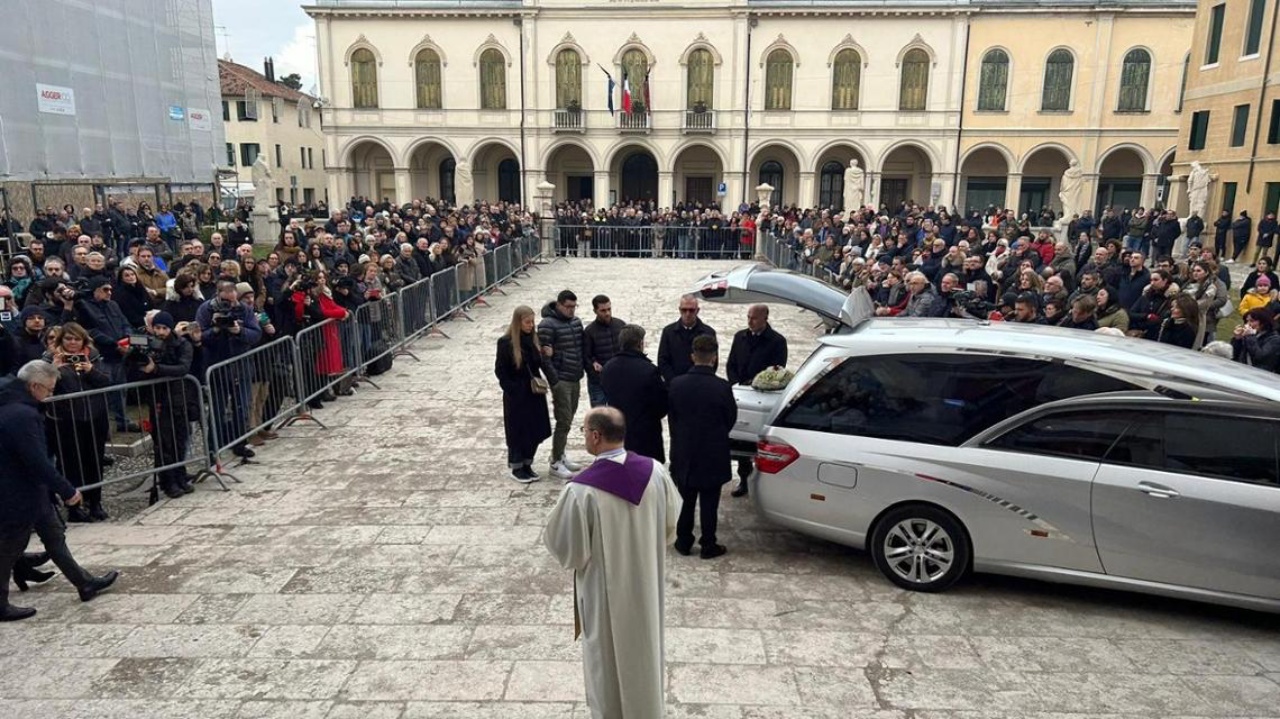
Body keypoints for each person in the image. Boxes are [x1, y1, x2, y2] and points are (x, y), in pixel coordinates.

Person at [543, 406, 681, 719]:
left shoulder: (581, 491)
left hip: (604, 596)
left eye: (583, 431)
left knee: (606, 662)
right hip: (646, 586)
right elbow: (670, 527)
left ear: (595, 436)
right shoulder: (656, 472)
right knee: (644, 654)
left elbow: (568, 549)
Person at [0, 360, 118, 621]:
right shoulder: (21, 414)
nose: (51, 395)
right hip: (17, 490)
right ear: (34, 386)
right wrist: (66, 489)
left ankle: (84, 582)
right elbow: (36, 459)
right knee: (9, 547)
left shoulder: (18, 404)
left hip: (32, 489)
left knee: (54, 535)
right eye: (49, 390)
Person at [668, 335, 736, 559]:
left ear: (692, 356)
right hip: (712, 452)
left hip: (685, 451)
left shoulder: (676, 384)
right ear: (714, 358)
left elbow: (673, 418)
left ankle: (684, 540)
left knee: (685, 500)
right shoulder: (722, 387)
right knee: (709, 502)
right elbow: (730, 418)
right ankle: (708, 544)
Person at [43, 322, 114, 522]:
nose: (72, 343)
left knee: (95, 460)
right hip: (66, 418)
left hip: (94, 415)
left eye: (76, 339)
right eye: (68, 339)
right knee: (70, 464)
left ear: (83, 340)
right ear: (61, 340)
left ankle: (95, 501)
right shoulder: (50, 358)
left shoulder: (93, 355)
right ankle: (74, 506)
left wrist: (91, 370)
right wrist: (54, 370)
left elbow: (107, 381)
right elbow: (44, 389)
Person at [725, 304, 787, 498]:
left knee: (760, 440)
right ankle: (743, 479)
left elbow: (778, 370)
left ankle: (763, 483)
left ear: (764, 318)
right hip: (742, 394)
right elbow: (731, 363)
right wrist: (737, 383)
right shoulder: (740, 337)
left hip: (763, 396)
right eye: (748, 317)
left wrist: (760, 383)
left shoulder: (777, 341)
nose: (750, 321)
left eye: (754, 318)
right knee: (741, 436)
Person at [495, 305, 554, 483]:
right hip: (517, 395)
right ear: (518, 322)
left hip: (534, 393)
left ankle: (528, 463)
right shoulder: (506, 343)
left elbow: (538, 363)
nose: (530, 325)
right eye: (527, 322)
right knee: (518, 431)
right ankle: (517, 466)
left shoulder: (533, 340)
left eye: (532, 322)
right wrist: (513, 389)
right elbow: (501, 371)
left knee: (535, 429)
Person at [600, 325, 668, 463]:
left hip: (618, 433)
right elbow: (662, 405)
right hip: (645, 435)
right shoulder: (649, 371)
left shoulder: (608, 368)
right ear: (639, 344)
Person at [538, 290, 586, 479]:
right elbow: (544, 357)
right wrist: (554, 381)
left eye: (574, 307)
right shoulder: (547, 325)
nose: (571, 310)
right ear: (558, 305)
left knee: (569, 417)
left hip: (575, 376)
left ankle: (560, 453)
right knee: (563, 419)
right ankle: (556, 461)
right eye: (568, 307)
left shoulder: (576, 322)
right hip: (561, 380)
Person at [657, 294, 716, 383]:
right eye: (684, 310)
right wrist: (674, 381)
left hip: (699, 384)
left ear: (697, 310)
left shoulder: (708, 333)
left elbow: (713, 361)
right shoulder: (668, 332)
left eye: (691, 310)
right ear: (679, 310)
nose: (687, 314)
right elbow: (662, 360)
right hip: (673, 385)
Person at [582, 294, 625, 408]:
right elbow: (586, 356)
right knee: (599, 416)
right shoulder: (589, 331)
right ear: (595, 311)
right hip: (598, 381)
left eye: (609, 309)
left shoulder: (620, 325)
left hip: (618, 379)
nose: (607, 313)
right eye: (603, 310)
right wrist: (593, 365)